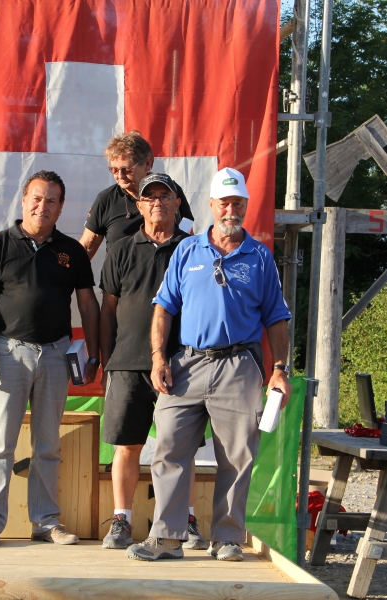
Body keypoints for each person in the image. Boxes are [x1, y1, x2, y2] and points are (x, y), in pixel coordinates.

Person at [126, 167, 293, 562]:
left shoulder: (260, 257)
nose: (230, 210)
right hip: (188, 363)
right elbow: (163, 309)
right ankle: (166, 538)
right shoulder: (187, 250)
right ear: (212, 205)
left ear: (246, 206)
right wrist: (157, 358)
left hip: (240, 366)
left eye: (238, 203)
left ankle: (228, 538)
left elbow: (277, 319)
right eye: (224, 202)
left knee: (236, 456)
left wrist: (280, 369)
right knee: (167, 446)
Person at [0, 170, 100, 548]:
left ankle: (45, 521)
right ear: (24, 201)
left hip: (58, 355)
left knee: (47, 444)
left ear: (60, 208)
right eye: (37, 198)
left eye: (52, 200)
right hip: (8, 353)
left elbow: (88, 305)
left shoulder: (71, 251)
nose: (43, 206)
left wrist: (94, 354)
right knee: (1, 444)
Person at [98, 173, 207, 551]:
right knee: (127, 445)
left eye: (165, 195)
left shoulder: (195, 249)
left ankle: (185, 520)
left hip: (181, 364)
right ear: (139, 205)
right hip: (127, 362)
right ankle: (121, 521)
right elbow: (107, 310)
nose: (157, 202)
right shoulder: (122, 249)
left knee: (179, 448)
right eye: (150, 197)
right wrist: (105, 358)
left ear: (178, 203)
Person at [79, 131, 195, 259]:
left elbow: (188, 230)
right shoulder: (106, 200)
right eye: (114, 170)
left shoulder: (170, 188)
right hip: (122, 275)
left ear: (147, 164)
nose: (120, 176)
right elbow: (86, 248)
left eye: (127, 169)